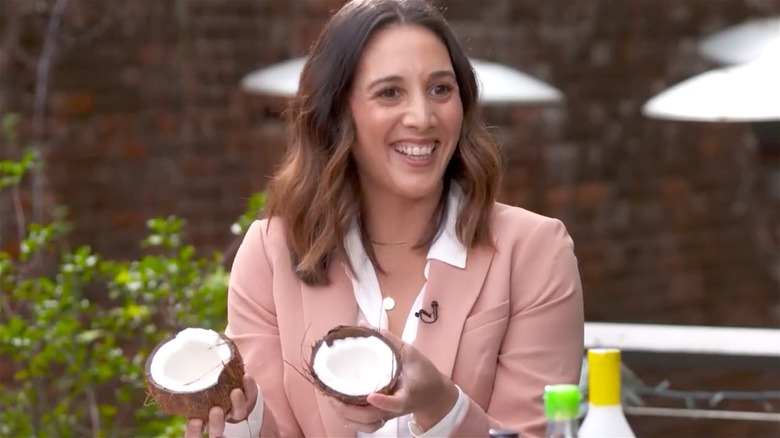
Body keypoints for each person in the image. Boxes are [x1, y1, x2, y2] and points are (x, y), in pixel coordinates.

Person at [185, 0, 584, 436]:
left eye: (440, 89)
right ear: (337, 112)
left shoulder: (534, 251)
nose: (422, 117)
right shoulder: (270, 252)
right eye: (389, 92)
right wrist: (238, 424)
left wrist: (441, 408)